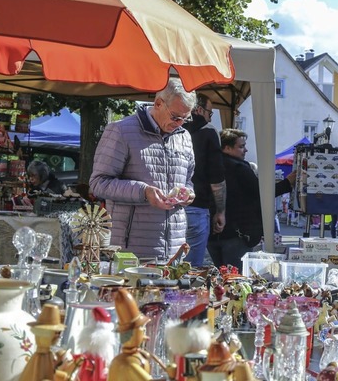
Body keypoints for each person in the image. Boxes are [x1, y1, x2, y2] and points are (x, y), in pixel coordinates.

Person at [90, 79, 196, 260]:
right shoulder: (121, 130)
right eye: (175, 117)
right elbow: (98, 183)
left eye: (185, 119)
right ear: (158, 103)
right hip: (131, 250)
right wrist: (143, 191)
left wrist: (188, 193)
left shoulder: (184, 137)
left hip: (174, 251)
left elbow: (187, 180)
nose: (180, 123)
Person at [208, 129, 295, 270]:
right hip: (236, 233)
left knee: (221, 276)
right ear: (227, 148)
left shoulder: (212, 164)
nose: (245, 150)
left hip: (213, 233)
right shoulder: (239, 167)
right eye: (241, 146)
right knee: (235, 278)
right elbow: (260, 193)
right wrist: (287, 183)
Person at [183, 93, 226, 267]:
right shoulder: (208, 131)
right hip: (197, 206)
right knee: (191, 270)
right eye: (210, 113)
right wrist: (220, 211)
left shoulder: (170, 126)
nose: (210, 117)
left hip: (169, 207)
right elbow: (216, 178)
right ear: (199, 109)